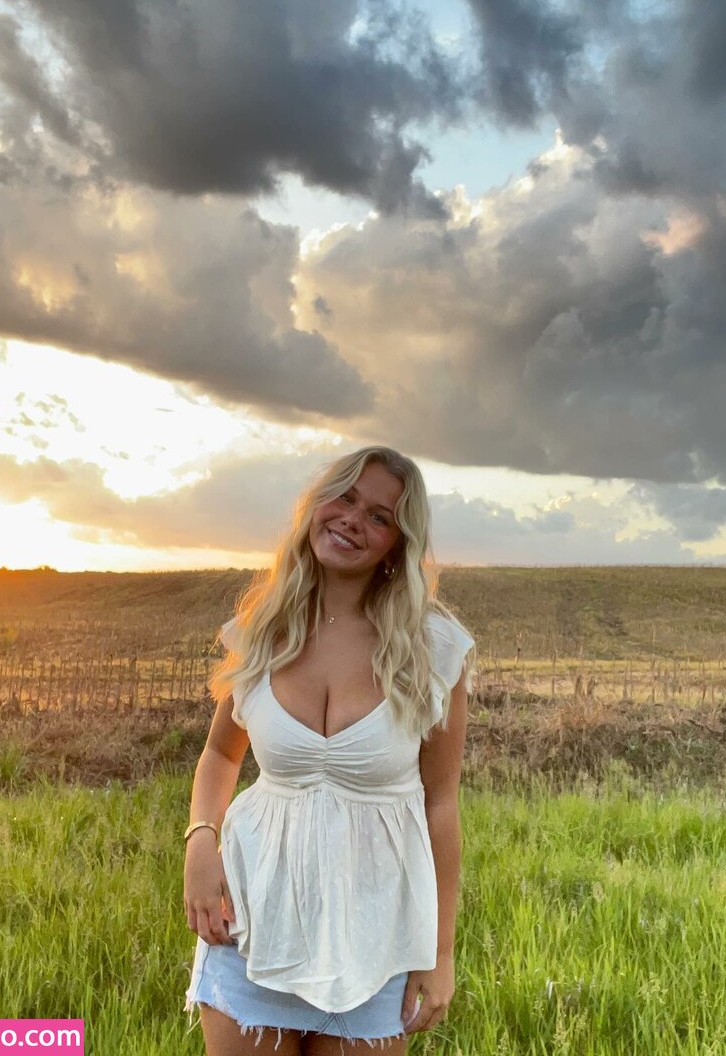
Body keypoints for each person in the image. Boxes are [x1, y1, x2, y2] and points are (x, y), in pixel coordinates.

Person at [183, 445, 476, 1055]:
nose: (352, 519)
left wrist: (440, 953)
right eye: (344, 497)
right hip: (249, 921)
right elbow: (220, 754)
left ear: (397, 544)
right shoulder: (263, 629)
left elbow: (441, 804)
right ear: (315, 505)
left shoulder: (432, 648)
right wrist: (201, 841)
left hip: (377, 937)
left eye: (379, 516)